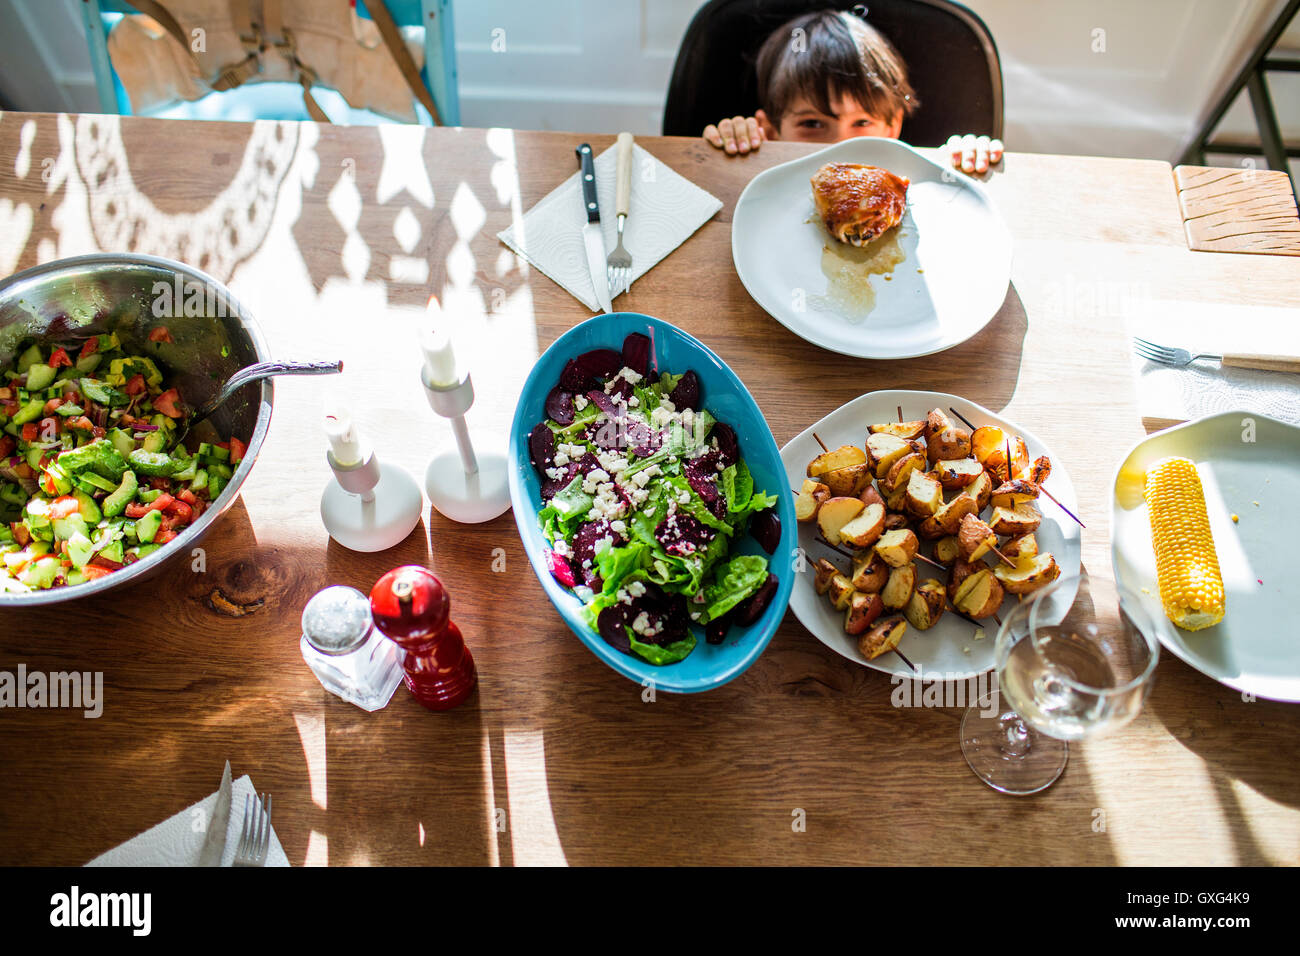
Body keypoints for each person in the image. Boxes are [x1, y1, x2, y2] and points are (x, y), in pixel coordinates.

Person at [702, 9, 1003, 174]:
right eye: (812, 124)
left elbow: (948, 181)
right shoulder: (763, 159)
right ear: (770, 131)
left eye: (861, 123)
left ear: (892, 126)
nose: (840, 146)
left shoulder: (909, 177)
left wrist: (965, 157)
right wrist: (736, 143)